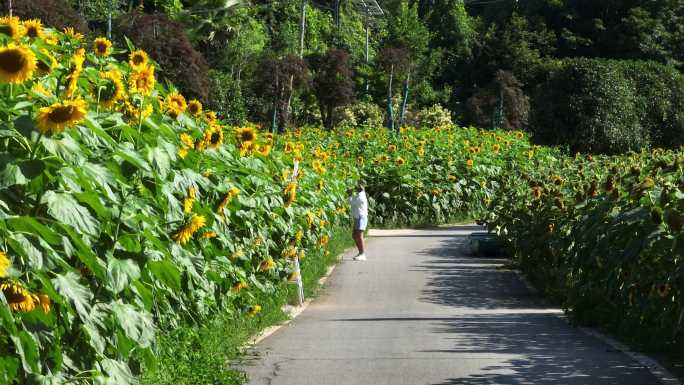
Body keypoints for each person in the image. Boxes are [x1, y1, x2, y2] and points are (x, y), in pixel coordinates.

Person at [348, 182, 368, 261]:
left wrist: (349, 194)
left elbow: (351, 203)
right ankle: (360, 253)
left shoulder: (360, 197)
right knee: (354, 235)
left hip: (360, 217)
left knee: (359, 236)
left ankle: (362, 254)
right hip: (358, 217)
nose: (355, 188)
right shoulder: (359, 195)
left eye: (357, 186)